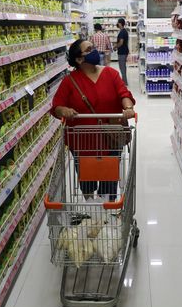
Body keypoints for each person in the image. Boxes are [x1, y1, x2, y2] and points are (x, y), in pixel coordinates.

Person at [52, 38, 136, 200]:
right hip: (83, 141)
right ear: (79, 59)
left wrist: (128, 108)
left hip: (110, 137)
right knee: (87, 180)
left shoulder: (111, 74)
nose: (95, 51)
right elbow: (57, 106)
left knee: (109, 178)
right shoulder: (69, 81)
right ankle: (92, 209)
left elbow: (124, 94)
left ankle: (107, 207)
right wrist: (65, 110)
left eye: (93, 47)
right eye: (89, 49)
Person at [115, 18, 129, 85]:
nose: (117, 24)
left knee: (122, 67)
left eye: (118, 23)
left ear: (120, 23)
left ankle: (124, 82)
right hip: (124, 51)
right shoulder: (124, 31)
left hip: (122, 52)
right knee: (122, 66)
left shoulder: (122, 32)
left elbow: (121, 42)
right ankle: (124, 80)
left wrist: (115, 47)